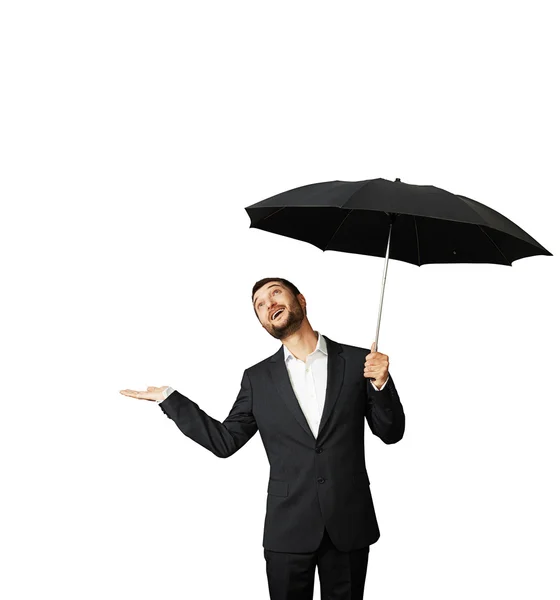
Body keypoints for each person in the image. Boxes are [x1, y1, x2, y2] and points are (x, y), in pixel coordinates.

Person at [120, 277, 405, 600]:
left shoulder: (358, 363)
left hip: (349, 523)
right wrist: (171, 400)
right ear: (262, 322)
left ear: (300, 299)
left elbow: (391, 433)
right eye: (259, 305)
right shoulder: (257, 379)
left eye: (275, 293)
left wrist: (381, 382)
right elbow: (225, 441)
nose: (268, 304)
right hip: (288, 529)